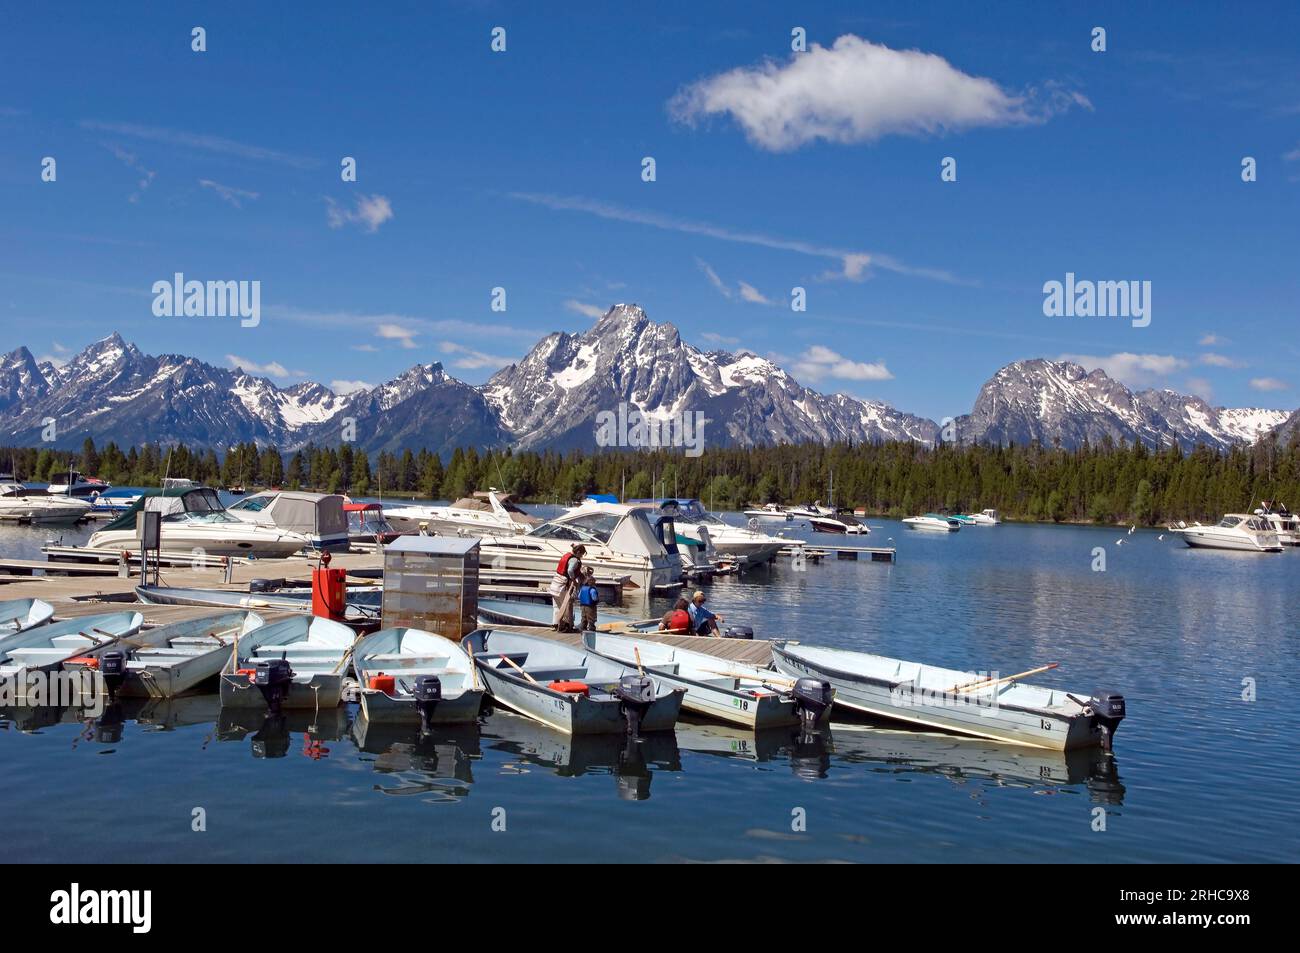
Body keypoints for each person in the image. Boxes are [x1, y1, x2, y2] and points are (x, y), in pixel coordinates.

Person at [549, 544, 585, 631]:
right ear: (578, 552)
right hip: (562, 584)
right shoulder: (574, 560)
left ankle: (555, 624)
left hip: (555, 583)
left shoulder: (566, 555)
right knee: (567, 605)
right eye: (582, 554)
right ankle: (567, 625)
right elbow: (570, 570)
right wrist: (573, 580)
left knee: (557, 606)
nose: (582, 556)